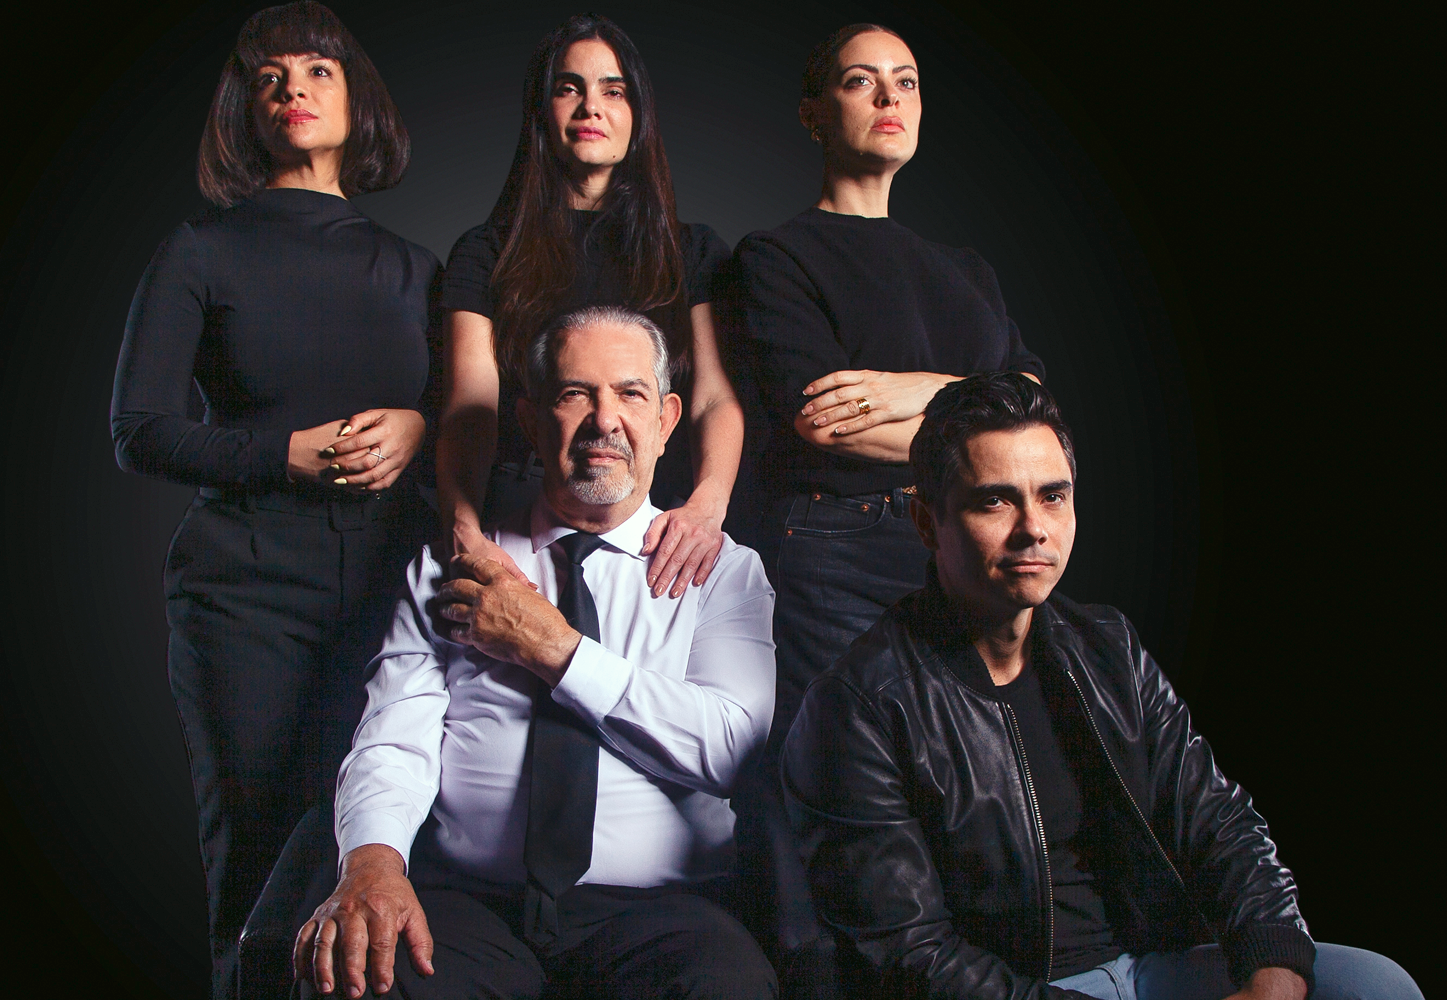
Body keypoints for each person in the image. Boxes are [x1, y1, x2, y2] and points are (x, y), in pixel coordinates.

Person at [781, 373, 1422, 1000]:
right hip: (1016, 988)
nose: (1034, 527)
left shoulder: (1107, 647)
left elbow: (1219, 823)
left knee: (1377, 986)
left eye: (1053, 496)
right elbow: (910, 953)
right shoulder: (859, 705)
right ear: (927, 522)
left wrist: (1270, 979)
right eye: (995, 500)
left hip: (1149, 966)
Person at [293, 307, 777, 1000]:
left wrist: (553, 647)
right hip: (470, 903)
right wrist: (372, 861)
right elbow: (393, 739)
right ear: (528, 422)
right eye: (573, 393)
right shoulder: (452, 564)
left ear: (668, 421)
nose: (604, 419)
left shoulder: (724, 571)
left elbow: (730, 748)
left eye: (630, 394)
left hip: (658, 917)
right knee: (361, 977)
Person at [108, 4, 437, 995]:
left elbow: (474, 425)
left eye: (319, 69)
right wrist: (281, 456)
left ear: (356, 100)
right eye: (270, 76)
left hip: (389, 603)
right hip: (243, 599)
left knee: (373, 865)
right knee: (257, 866)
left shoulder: (414, 268)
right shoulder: (201, 251)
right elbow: (139, 430)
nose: (294, 86)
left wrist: (420, 431)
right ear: (245, 110)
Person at [729, 24, 1045, 748]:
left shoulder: (967, 269)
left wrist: (919, 388)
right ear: (814, 114)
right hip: (840, 544)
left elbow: (1038, 411)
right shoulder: (777, 256)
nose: (888, 97)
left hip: (968, 542)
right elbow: (829, 422)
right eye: (859, 80)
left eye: (905, 81)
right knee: (842, 769)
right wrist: (982, 408)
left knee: (970, 774)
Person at [438, 13, 743, 606]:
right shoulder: (485, 252)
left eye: (613, 90)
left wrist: (707, 507)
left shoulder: (694, 250)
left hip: (655, 534)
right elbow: (470, 406)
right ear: (541, 111)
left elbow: (712, 396)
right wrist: (462, 527)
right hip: (517, 527)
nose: (590, 108)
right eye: (568, 87)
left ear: (638, 115)